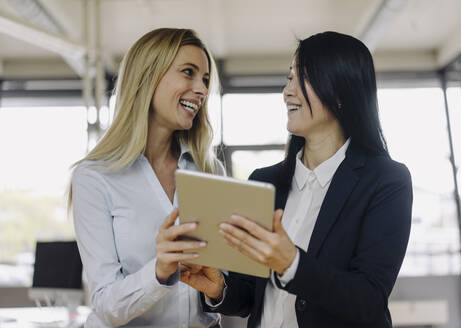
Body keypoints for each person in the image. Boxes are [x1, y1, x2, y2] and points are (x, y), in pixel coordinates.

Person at [181, 31, 413, 327]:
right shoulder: (264, 182)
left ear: (340, 90)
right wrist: (218, 288)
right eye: (289, 77)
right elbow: (251, 297)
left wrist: (292, 264)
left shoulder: (386, 181)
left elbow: (368, 300)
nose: (287, 90)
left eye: (301, 77)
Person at [69, 28, 223, 327]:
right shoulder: (95, 176)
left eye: (205, 79)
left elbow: (219, 286)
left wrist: (219, 290)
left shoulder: (209, 170)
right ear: (148, 77)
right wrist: (159, 271)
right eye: (188, 73)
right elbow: (104, 303)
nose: (202, 89)